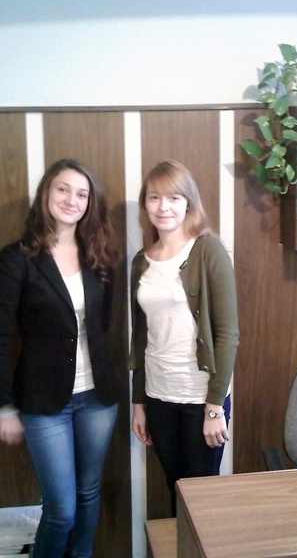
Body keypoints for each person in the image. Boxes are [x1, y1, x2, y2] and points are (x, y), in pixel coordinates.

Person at [0, 158, 121, 558]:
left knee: (88, 492)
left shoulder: (99, 255)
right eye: (63, 189)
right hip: (44, 403)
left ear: (90, 203)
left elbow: (101, 324)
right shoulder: (18, 258)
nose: (71, 200)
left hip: (97, 398)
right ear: (46, 193)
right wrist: (3, 408)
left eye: (82, 194)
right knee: (61, 510)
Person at [129, 159, 239, 516]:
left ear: (188, 203)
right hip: (159, 395)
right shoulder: (141, 262)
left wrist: (214, 407)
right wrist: (138, 402)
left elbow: (228, 335)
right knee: (174, 490)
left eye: (174, 198)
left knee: (200, 500)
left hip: (199, 399)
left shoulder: (208, 251)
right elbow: (140, 338)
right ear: (145, 204)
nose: (163, 207)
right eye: (154, 197)